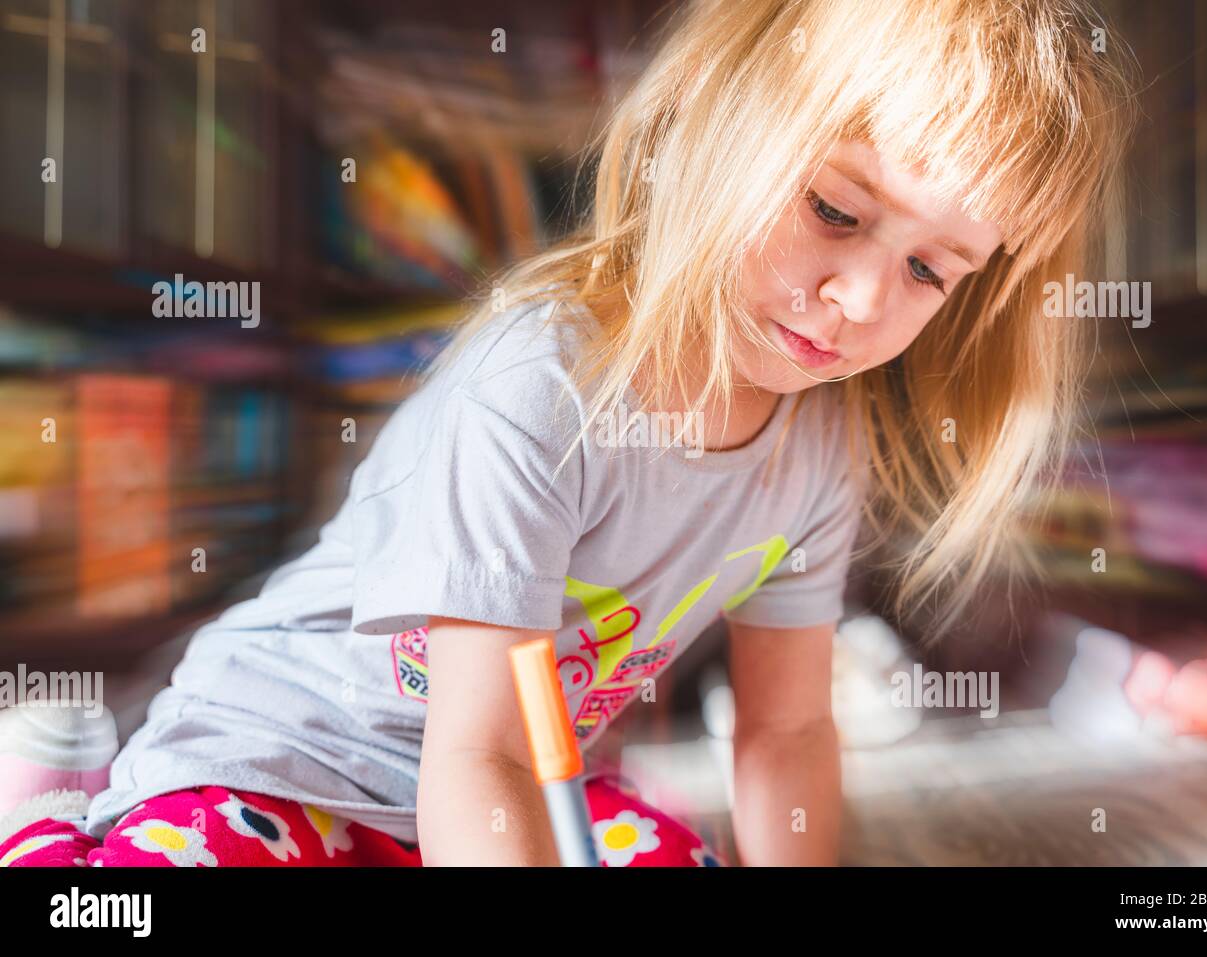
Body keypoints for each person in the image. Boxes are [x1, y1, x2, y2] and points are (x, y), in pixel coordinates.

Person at [0, 0, 1137, 867]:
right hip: (292, 757)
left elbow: (786, 730)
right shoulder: (538, 386)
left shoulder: (819, 446)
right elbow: (473, 750)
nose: (858, 297)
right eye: (834, 211)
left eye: (929, 269)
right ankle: (55, 821)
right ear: (708, 124)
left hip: (513, 785)